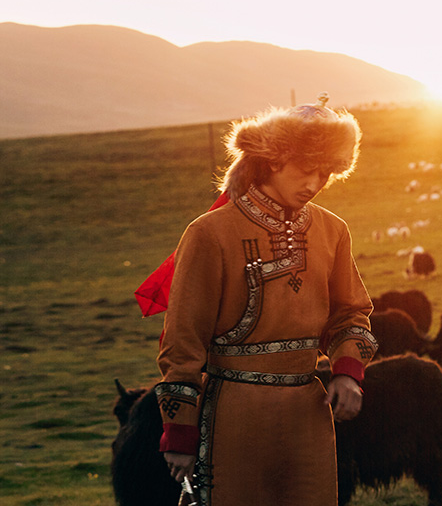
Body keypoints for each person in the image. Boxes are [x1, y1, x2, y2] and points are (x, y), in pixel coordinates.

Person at [154, 96, 378, 505]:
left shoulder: (333, 231)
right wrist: (181, 431)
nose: (315, 183)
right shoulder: (209, 233)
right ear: (275, 161)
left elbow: (351, 313)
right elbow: (182, 342)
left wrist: (347, 371)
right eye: (307, 169)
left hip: (309, 415)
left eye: (326, 172)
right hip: (234, 417)